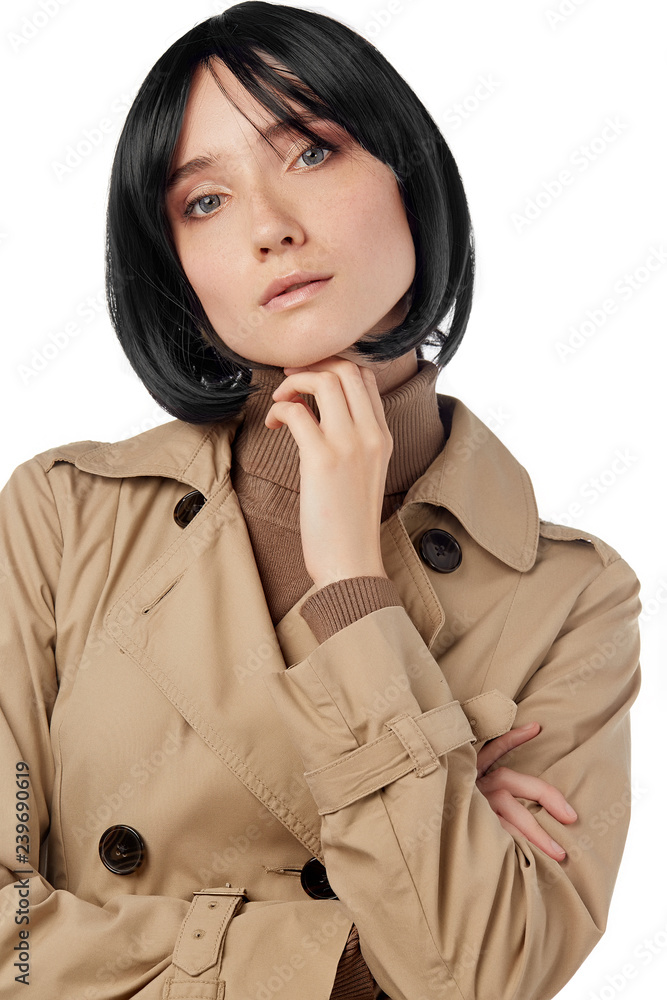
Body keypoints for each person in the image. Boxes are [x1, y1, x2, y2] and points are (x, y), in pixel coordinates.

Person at [0, 3, 641, 998]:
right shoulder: (62, 517)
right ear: (179, 273)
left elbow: (478, 975)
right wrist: (348, 959)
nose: (270, 226)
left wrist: (351, 582)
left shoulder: (571, 598)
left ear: (407, 175)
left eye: (310, 152)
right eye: (203, 202)